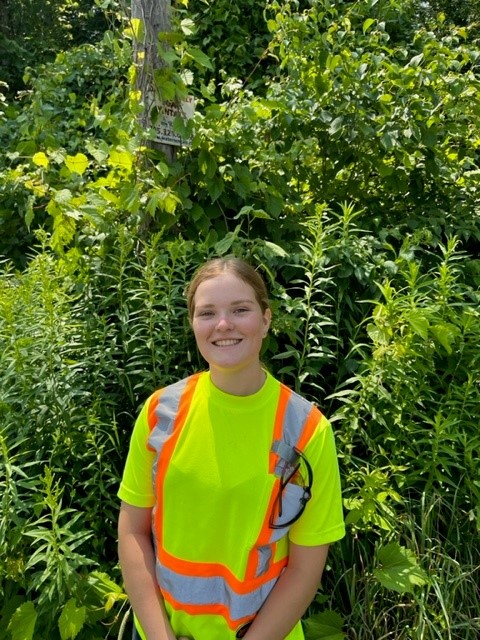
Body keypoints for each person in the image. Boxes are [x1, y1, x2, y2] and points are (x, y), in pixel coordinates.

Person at [117, 256, 345, 640]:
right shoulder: (161, 413)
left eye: (240, 309)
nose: (223, 324)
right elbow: (132, 532)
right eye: (207, 313)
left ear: (266, 319)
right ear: (193, 324)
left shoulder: (307, 430)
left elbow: (305, 568)